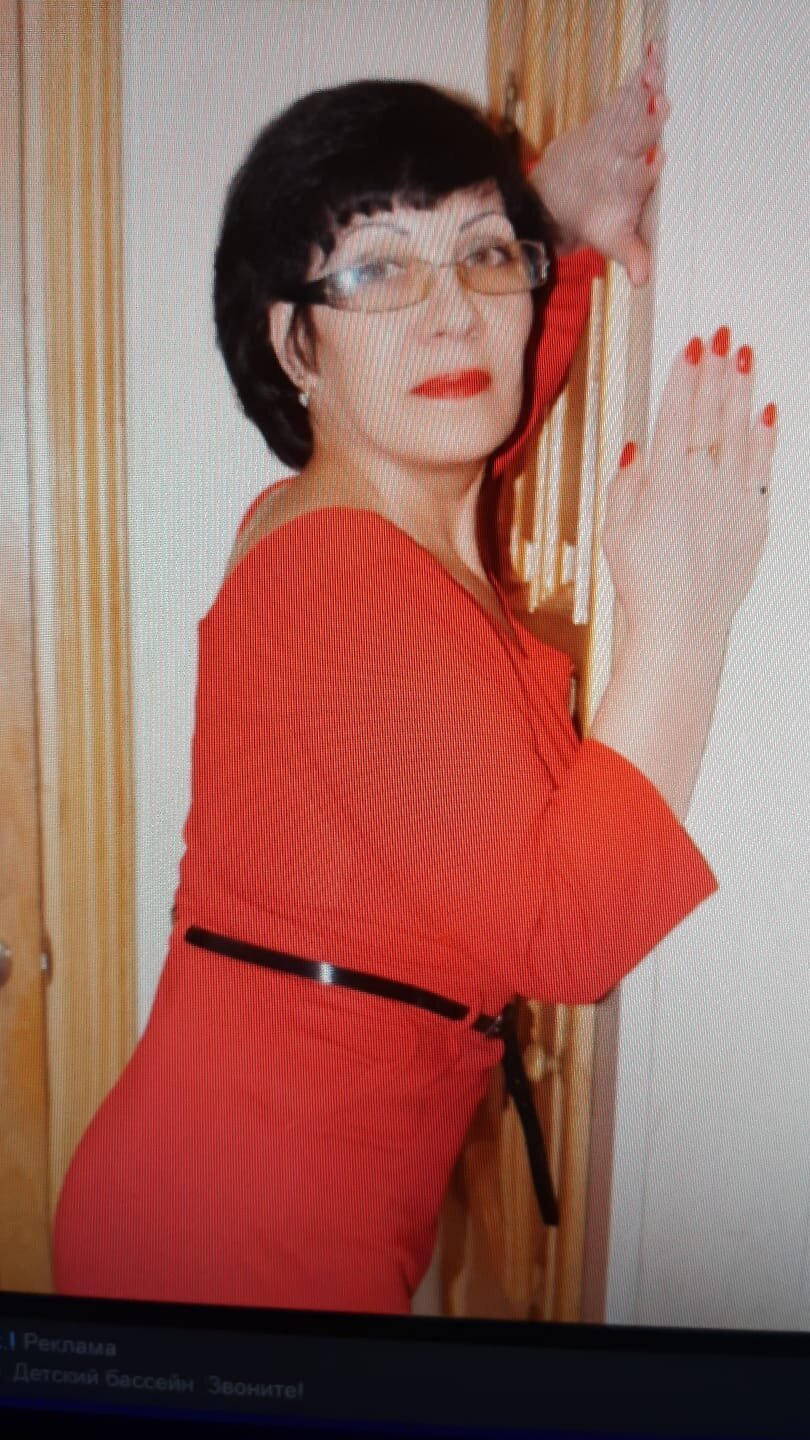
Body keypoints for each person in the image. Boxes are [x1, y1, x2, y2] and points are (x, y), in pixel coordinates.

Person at [52, 60, 777, 1316]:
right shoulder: (342, 578)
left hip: (210, 1200)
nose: (453, 318)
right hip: (232, 1253)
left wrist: (554, 222)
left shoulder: (362, 514)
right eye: (378, 271)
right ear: (296, 343)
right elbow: (571, 937)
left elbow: (475, 403)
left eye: (484, 255)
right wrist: (683, 613)